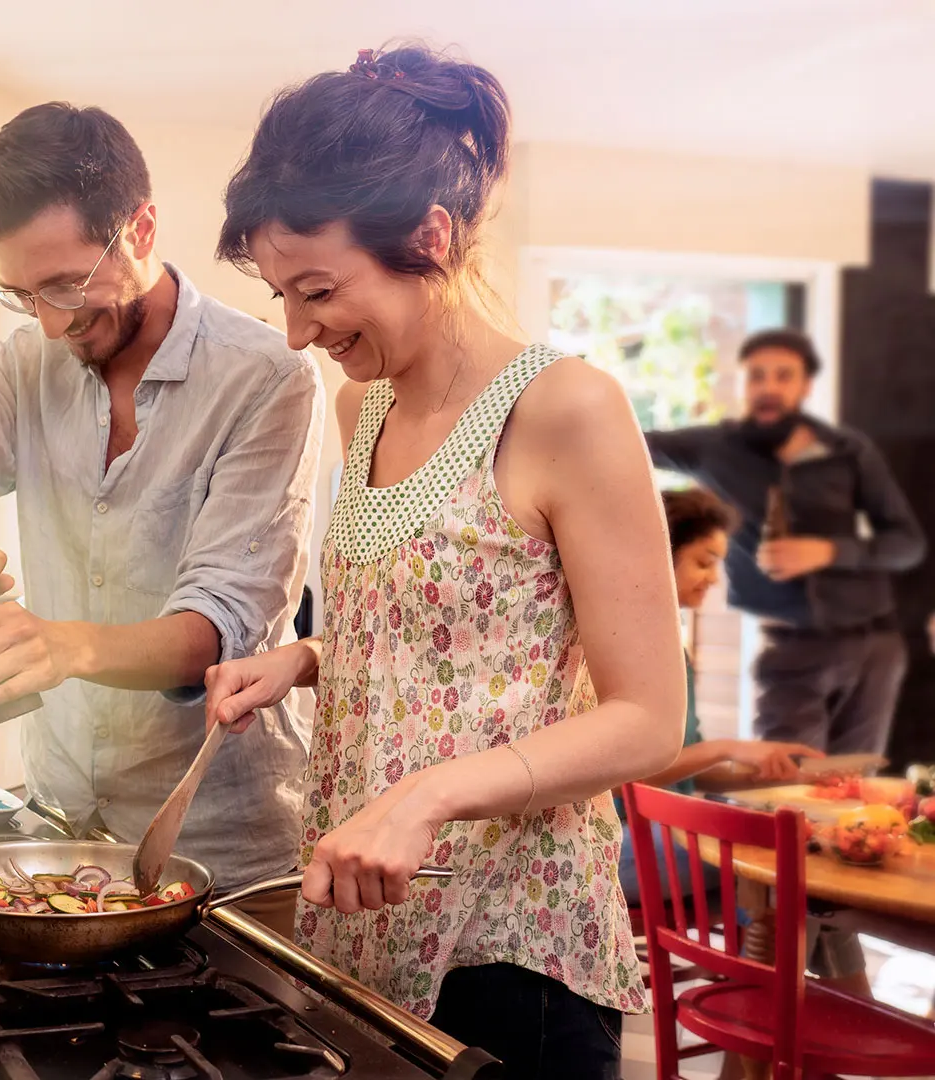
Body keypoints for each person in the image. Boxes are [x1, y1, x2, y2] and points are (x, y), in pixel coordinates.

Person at [203, 45, 686, 1079]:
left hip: (512, 940)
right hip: (366, 918)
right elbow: (458, 631)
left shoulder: (566, 408)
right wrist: (308, 659)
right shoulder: (360, 401)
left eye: (319, 289)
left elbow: (646, 716)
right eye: (284, 295)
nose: (297, 331)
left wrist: (427, 796)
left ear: (428, 236)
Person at [0, 103, 324, 931]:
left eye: (67, 283)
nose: (53, 320)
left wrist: (61, 645)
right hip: (60, 830)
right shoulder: (31, 359)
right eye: (23, 292)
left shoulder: (269, 377)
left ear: (140, 227)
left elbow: (223, 627)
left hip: (228, 852)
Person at [645, 329, 925, 755]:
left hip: (876, 645)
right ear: (741, 383)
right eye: (756, 376)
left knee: (854, 792)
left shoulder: (848, 451)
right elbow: (627, 445)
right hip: (790, 649)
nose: (768, 386)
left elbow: (908, 543)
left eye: (783, 375)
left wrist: (830, 551)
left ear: (805, 386)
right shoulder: (711, 448)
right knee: (784, 786)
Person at [615, 486, 821, 905]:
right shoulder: (623, 647)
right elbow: (615, 779)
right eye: (703, 562)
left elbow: (685, 768)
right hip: (614, 846)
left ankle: (781, 967)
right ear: (657, 555)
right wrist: (726, 747)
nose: (713, 578)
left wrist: (769, 771)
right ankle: (768, 967)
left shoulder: (676, 649)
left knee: (811, 848)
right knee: (801, 858)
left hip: (668, 830)